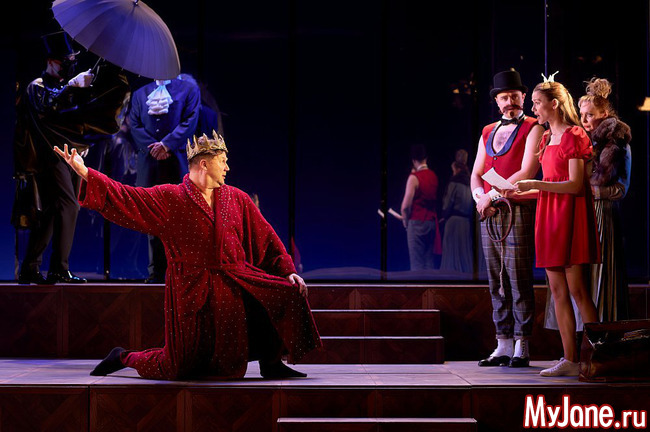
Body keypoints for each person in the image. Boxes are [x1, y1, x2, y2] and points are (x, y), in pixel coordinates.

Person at [54, 131, 321, 380]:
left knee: (285, 292)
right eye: (223, 161)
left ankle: (271, 362)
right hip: (192, 287)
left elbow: (266, 238)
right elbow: (128, 197)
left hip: (233, 279)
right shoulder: (171, 198)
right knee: (179, 367)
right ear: (204, 164)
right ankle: (124, 357)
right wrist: (85, 172)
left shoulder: (237, 198)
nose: (227, 167)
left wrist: (288, 270)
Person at [13, 31, 129, 284]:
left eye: (72, 61)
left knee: (54, 211)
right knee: (67, 205)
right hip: (48, 155)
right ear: (51, 61)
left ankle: (32, 268)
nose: (69, 66)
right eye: (65, 61)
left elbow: (76, 118)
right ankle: (58, 267)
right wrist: (72, 87)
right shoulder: (37, 87)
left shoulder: (62, 88)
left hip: (68, 155)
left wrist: (84, 89)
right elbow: (48, 110)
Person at [516, 76, 600, 377]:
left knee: (578, 290)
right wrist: (513, 192)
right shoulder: (546, 138)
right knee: (557, 290)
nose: (533, 109)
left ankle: (598, 357)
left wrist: (535, 184)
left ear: (554, 103)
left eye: (537, 103)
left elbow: (575, 185)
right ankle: (570, 359)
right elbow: (548, 186)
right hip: (549, 218)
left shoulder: (574, 135)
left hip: (570, 217)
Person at [470, 69, 544, 368]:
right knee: (496, 278)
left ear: (523, 97)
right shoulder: (488, 130)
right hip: (490, 211)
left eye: (514, 96)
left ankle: (522, 344)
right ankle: (502, 343)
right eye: (504, 97)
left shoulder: (533, 126)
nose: (509, 101)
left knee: (518, 276)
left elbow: (526, 171)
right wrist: (480, 198)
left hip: (518, 208)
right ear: (496, 101)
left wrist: (491, 195)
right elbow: (476, 172)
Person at [129, 74, 201, 283]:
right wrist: (154, 147)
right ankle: (156, 271)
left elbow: (190, 120)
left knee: (182, 217)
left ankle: (182, 270)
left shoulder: (188, 89)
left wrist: (167, 144)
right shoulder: (140, 94)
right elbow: (134, 124)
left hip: (177, 162)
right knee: (153, 217)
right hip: (150, 163)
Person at [578, 78, 631, 322]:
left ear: (604, 114)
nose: (584, 120)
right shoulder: (582, 141)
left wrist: (594, 193)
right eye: (582, 115)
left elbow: (622, 189)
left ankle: (603, 329)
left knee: (601, 271)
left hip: (602, 214)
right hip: (580, 211)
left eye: (590, 115)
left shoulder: (618, 143)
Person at [400, 144, 440, 271]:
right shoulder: (433, 176)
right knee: (429, 262)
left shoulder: (414, 178)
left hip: (416, 222)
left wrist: (405, 221)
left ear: (413, 161)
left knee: (417, 263)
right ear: (426, 158)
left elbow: (405, 206)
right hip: (431, 222)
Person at [440, 149, 474, 273]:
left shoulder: (454, 182)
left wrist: (444, 215)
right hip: (465, 222)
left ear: (456, 168)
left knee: (451, 250)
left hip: (453, 221)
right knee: (463, 250)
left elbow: (448, 202)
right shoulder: (470, 182)